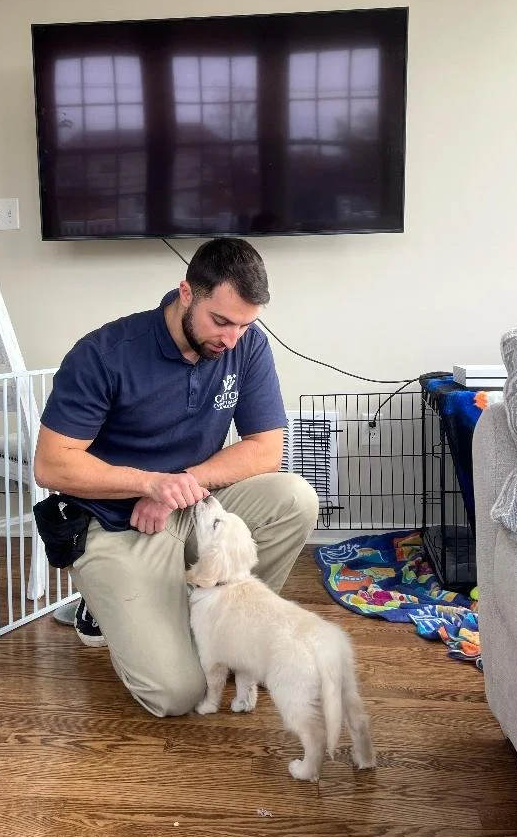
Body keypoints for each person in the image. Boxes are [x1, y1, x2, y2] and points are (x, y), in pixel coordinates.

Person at [33, 237, 319, 717]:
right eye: (220, 321)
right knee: (178, 695)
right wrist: (149, 483)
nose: (231, 339)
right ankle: (106, 604)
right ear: (186, 293)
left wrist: (180, 484)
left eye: (245, 325)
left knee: (294, 498)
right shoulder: (104, 353)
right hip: (114, 522)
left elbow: (266, 450)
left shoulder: (245, 346)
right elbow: (51, 464)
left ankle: (229, 632)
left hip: (192, 504)